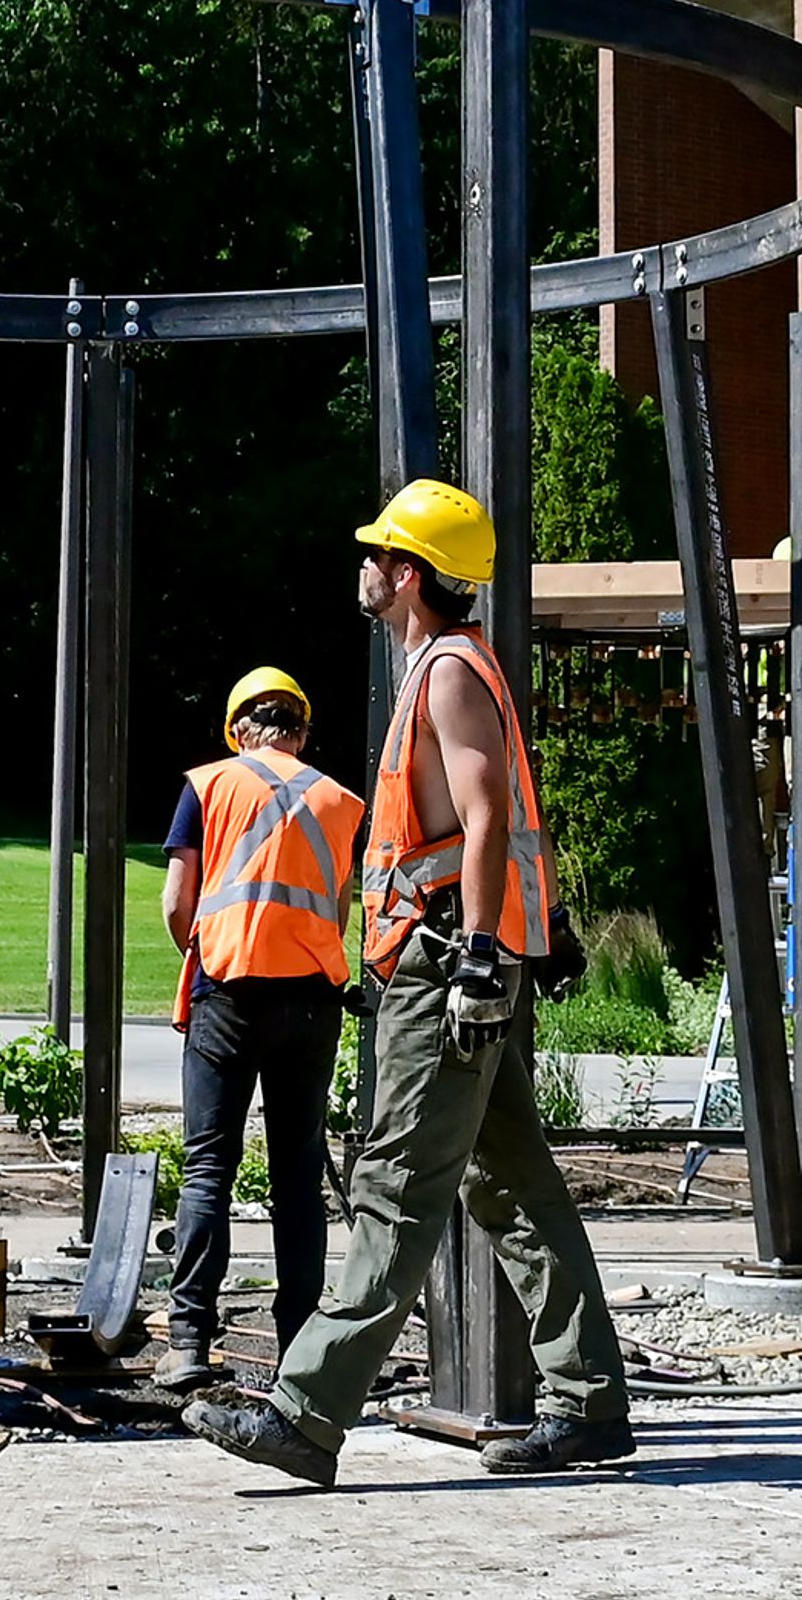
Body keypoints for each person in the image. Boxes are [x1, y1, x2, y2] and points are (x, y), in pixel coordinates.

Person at [183, 479, 628, 1487]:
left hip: (443, 967)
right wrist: (530, 933)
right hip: (448, 958)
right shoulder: (444, 665)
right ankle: (591, 1401)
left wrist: (479, 955)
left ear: (411, 575)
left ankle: (306, 1414)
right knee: (511, 1182)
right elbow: (500, 819)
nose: (367, 568)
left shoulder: (449, 673)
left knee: (395, 1188)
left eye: (380, 553)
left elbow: (484, 818)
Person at [154, 667, 365, 1392]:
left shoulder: (208, 784)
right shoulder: (340, 801)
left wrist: (205, 947)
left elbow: (178, 901)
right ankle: (300, 1353)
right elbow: (336, 911)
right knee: (297, 1179)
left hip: (228, 991)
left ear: (239, 729)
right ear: (301, 731)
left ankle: (188, 1342)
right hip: (311, 1002)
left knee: (208, 1166)